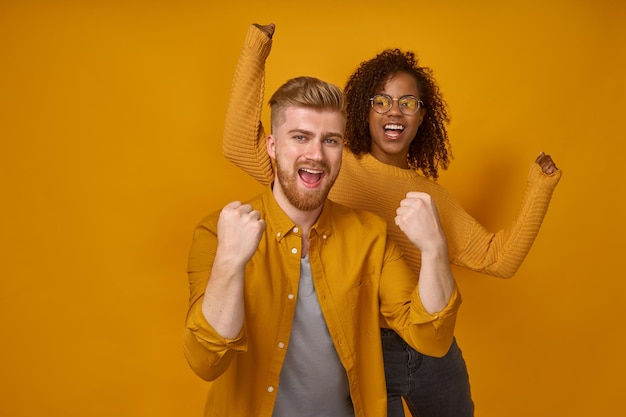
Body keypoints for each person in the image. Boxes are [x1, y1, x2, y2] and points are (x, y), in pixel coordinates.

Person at [220, 23, 562, 417]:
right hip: (360, 348)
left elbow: (499, 259)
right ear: (362, 111)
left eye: (407, 103)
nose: (394, 111)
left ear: (421, 119)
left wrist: (542, 185)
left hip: (433, 350)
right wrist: (257, 47)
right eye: (381, 100)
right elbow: (237, 144)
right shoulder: (326, 166)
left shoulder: (434, 198)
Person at [184, 76, 461, 417]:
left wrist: (434, 250)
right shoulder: (217, 232)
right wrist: (230, 262)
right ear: (272, 145)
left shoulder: (370, 235)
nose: (316, 154)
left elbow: (430, 336)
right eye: (300, 137)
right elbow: (205, 361)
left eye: (330, 140)